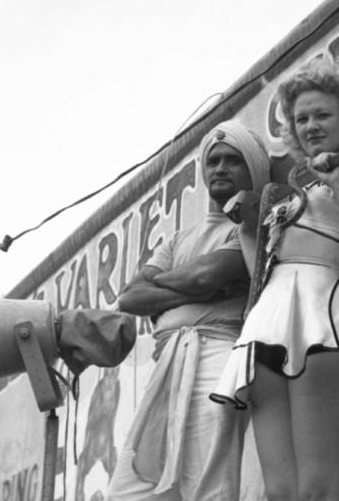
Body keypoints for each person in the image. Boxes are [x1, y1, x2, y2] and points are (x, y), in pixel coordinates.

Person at [211, 57, 339, 501]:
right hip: (267, 324)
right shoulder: (290, 190)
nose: (311, 125)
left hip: (326, 321)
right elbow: (262, 275)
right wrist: (247, 229)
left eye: (322, 115)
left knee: (317, 487)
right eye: (301, 118)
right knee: (281, 491)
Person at [107, 120, 270, 501]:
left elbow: (207, 274)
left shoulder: (249, 226)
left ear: (253, 170)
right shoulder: (178, 239)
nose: (220, 168)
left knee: (209, 486)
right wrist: (202, 290)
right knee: (133, 489)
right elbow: (130, 297)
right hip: (168, 366)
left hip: (216, 357)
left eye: (233, 160)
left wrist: (167, 285)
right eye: (213, 161)